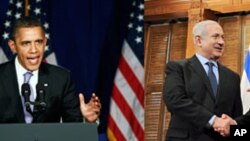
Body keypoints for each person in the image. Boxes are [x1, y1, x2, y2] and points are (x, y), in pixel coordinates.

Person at [0, 16, 101, 123]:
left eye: (38, 42)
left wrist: (86, 120)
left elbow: (73, 127)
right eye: (26, 43)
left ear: (45, 42)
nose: (34, 50)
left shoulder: (62, 78)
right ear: (12, 46)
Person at [163, 20, 243, 141]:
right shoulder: (178, 68)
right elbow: (175, 101)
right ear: (198, 40)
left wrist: (235, 130)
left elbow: (237, 117)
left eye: (223, 37)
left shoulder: (233, 77)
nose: (221, 42)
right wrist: (213, 120)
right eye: (216, 36)